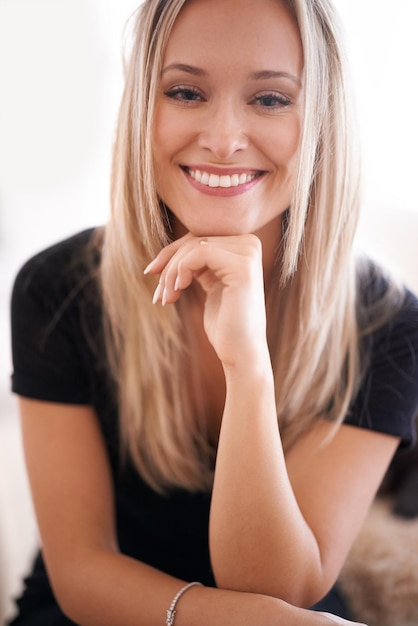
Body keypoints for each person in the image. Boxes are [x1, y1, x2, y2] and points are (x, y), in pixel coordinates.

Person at [8, 0, 418, 624]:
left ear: (324, 120)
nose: (224, 140)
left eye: (271, 99)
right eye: (185, 91)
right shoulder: (58, 288)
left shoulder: (387, 325)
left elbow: (279, 584)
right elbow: (82, 571)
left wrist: (247, 367)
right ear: (145, 106)